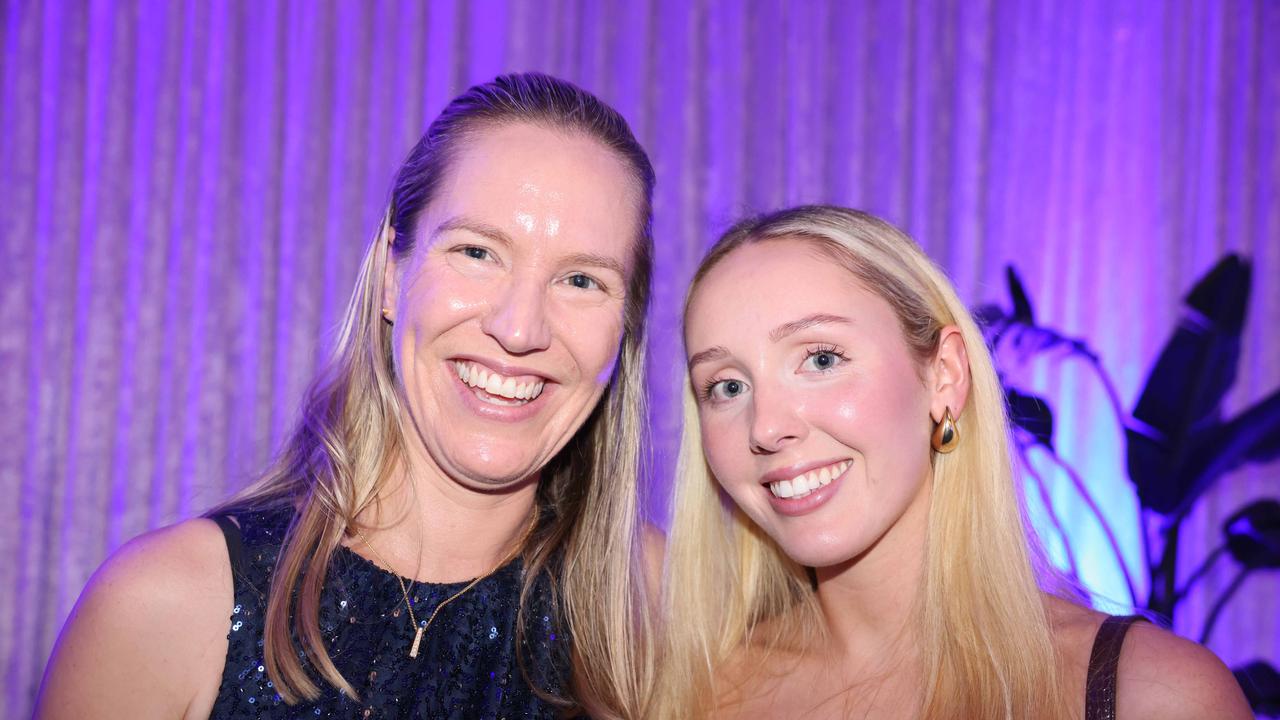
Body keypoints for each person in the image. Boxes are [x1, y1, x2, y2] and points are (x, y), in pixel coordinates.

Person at [35, 73, 657, 719]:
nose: (519, 328)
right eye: (476, 251)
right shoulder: (167, 608)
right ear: (393, 276)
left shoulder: (662, 617)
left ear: (626, 328)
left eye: (582, 279)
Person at [657, 205, 1252, 719]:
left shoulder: (1153, 698)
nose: (766, 427)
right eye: (727, 387)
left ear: (944, 375)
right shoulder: (694, 695)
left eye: (820, 359)